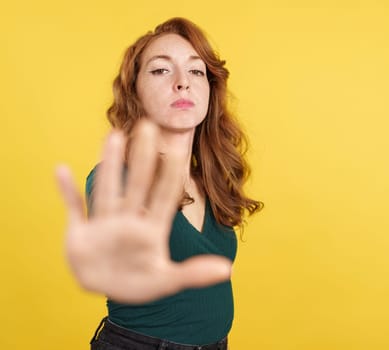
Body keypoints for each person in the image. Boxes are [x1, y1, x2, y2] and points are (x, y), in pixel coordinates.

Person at [56, 17, 263, 350]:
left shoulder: (210, 181)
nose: (182, 83)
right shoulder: (117, 178)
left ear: (211, 89)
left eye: (196, 71)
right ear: (134, 90)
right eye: (160, 70)